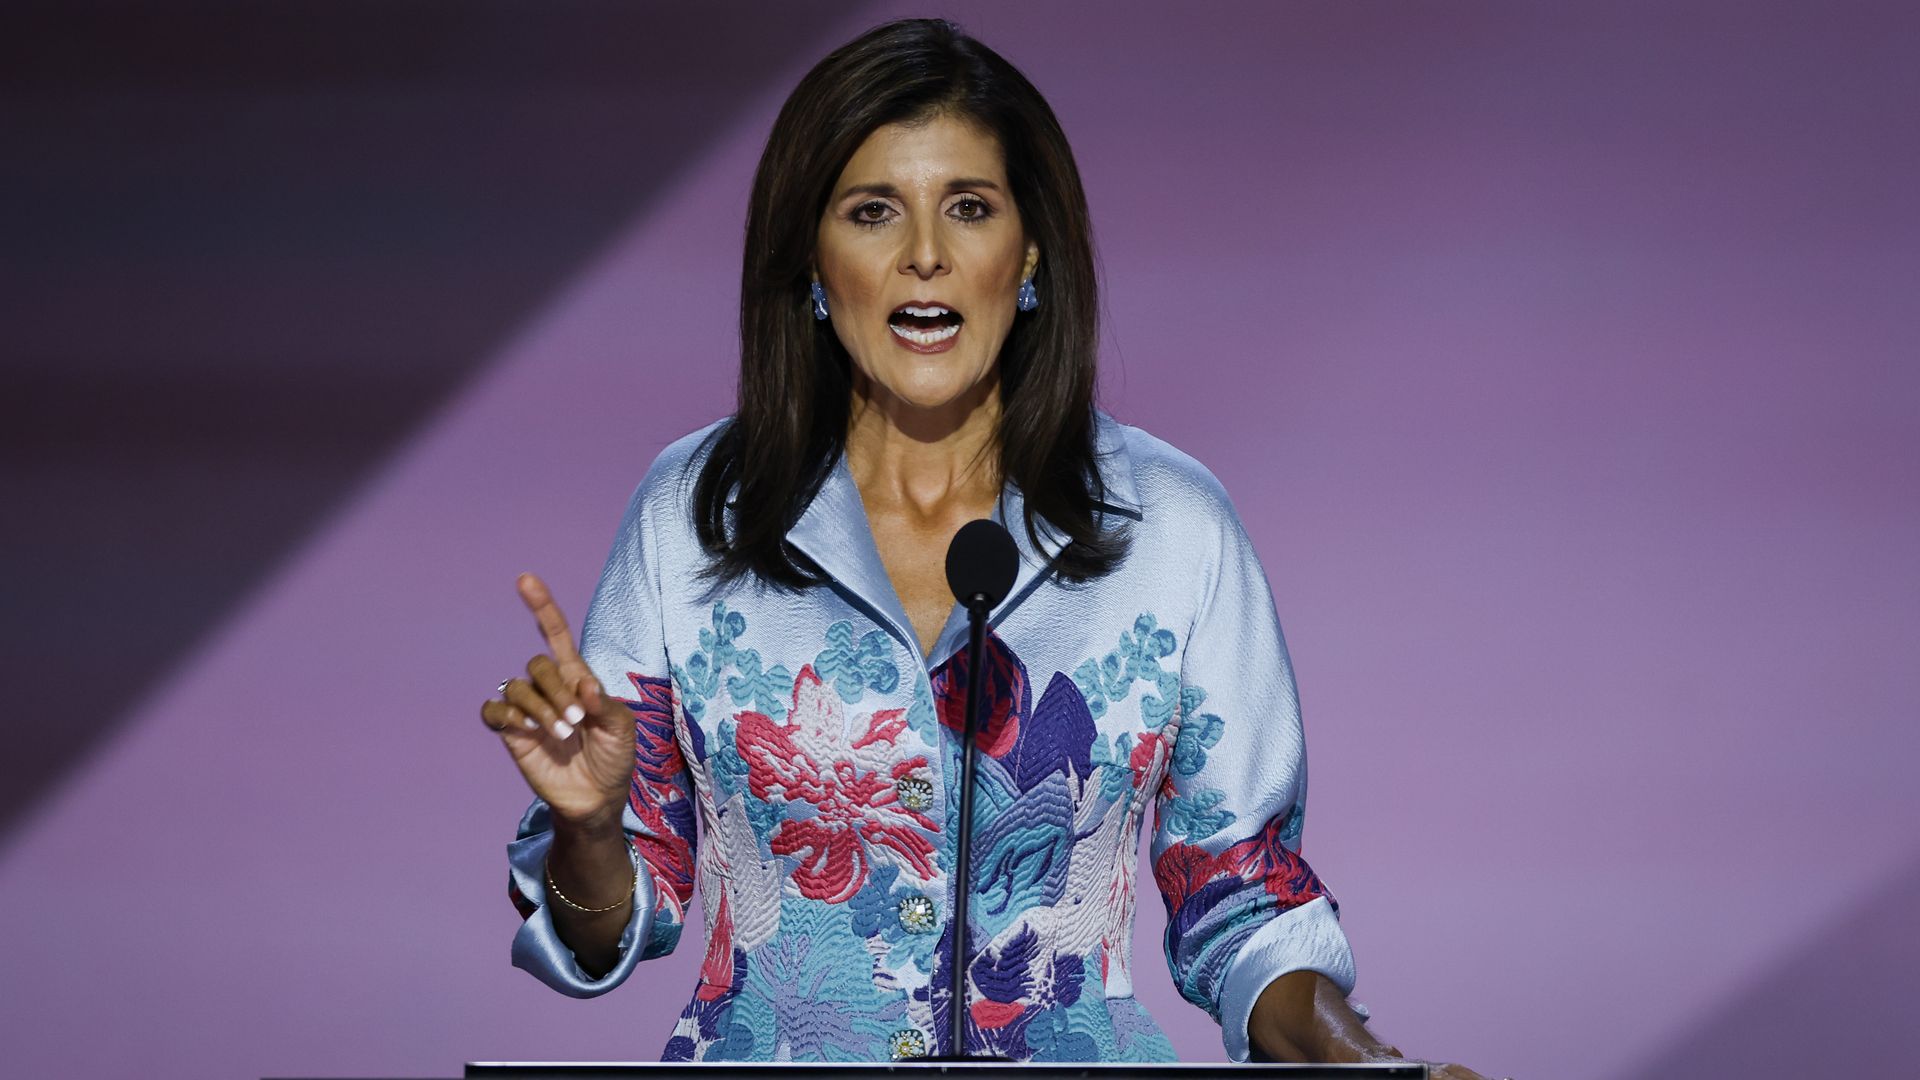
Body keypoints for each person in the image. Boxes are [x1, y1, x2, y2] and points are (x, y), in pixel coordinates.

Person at [481, 17, 1491, 1077]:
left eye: (969, 207)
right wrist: (593, 827)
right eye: (874, 212)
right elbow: (602, 925)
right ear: (814, 266)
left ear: (1030, 256)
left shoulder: (1170, 525)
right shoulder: (697, 513)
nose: (926, 254)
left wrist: (1368, 1064)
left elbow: (1242, 904)